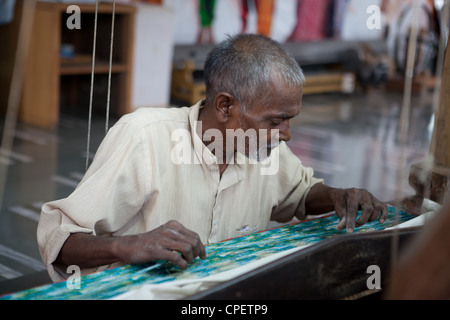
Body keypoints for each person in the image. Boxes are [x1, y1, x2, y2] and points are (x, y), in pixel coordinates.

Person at [37, 34, 388, 282]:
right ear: (225, 106)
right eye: (276, 120)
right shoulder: (145, 136)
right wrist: (127, 245)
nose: (286, 135)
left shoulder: (262, 146)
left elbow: (298, 192)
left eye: (289, 120)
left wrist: (338, 196)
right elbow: (59, 238)